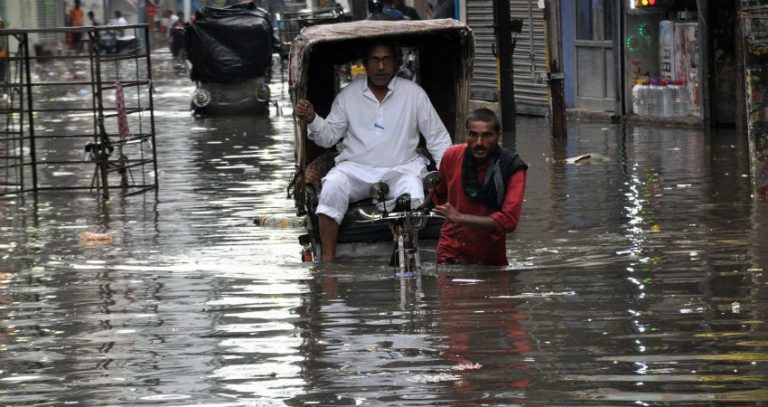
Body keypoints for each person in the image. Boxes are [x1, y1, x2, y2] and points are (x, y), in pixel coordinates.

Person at [294, 40, 452, 262]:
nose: (381, 67)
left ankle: (410, 258)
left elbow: (438, 139)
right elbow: (328, 137)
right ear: (365, 64)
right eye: (375, 60)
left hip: (402, 168)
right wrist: (312, 118)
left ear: (395, 63)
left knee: (414, 194)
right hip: (356, 169)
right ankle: (327, 264)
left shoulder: (414, 94)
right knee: (331, 188)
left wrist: (451, 175)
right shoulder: (348, 96)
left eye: (386, 60)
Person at [431, 108, 527, 265]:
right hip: (450, 250)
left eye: (487, 135)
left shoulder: (512, 167)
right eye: (473, 135)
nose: (479, 143)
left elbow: (509, 221)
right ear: (466, 135)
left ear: (498, 137)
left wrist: (461, 218)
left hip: (489, 254)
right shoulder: (452, 156)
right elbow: (438, 194)